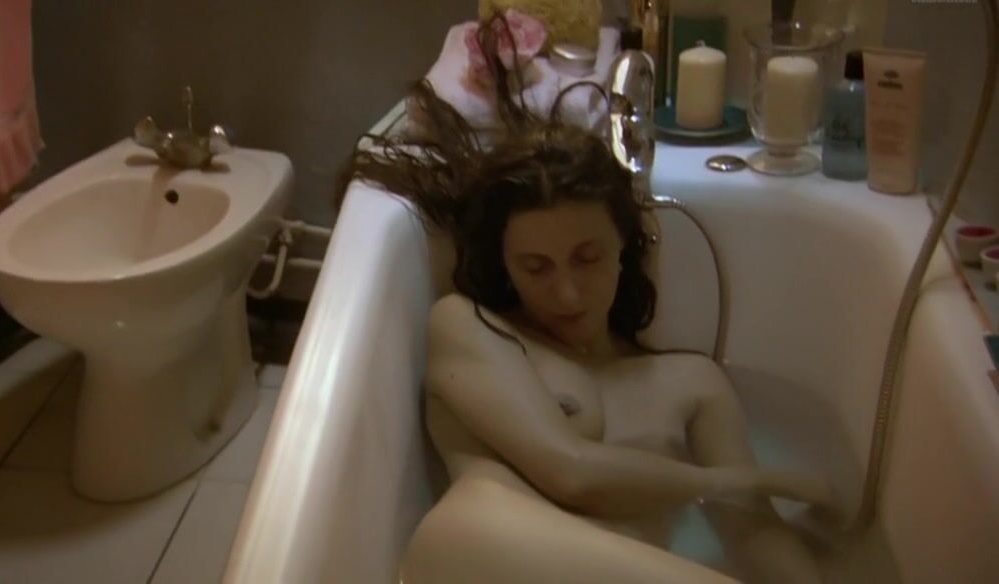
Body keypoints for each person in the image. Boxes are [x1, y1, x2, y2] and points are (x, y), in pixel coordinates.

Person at [341, 17, 836, 584]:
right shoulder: (473, 327)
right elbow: (570, 473)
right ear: (505, 266)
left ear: (625, 244)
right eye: (536, 267)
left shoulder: (693, 384)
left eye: (587, 258)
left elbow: (753, 533)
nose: (567, 292)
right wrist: (751, 480)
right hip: (480, 553)